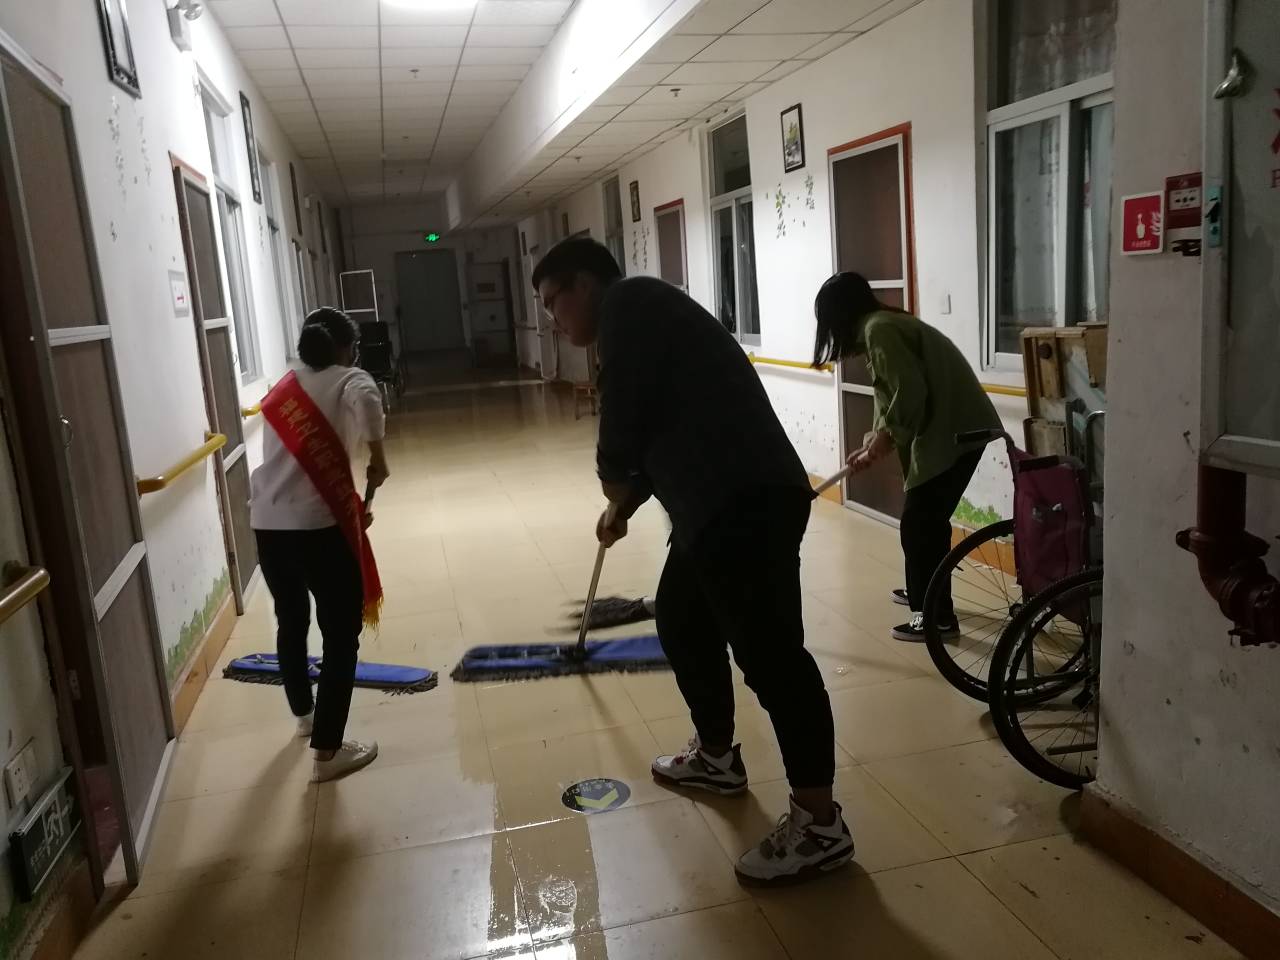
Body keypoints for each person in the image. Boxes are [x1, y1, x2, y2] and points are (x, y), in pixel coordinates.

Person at [532, 237, 854, 886]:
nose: (552, 320)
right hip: (717, 504)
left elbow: (623, 419)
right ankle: (716, 757)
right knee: (681, 618)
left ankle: (819, 825)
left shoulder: (628, 309)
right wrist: (626, 503)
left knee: (773, 661)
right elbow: (663, 423)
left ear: (584, 285)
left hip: (743, 503)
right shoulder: (643, 313)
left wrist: (613, 481)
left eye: (552, 303)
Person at [812, 272, 1001, 642]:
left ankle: (934, 618)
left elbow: (910, 391)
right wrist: (873, 440)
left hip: (956, 432)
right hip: (951, 429)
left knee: (920, 525)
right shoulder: (881, 325)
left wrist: (887, 437)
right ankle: (924, 594)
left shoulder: (879, 330)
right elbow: (890, 394)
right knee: (924, 524)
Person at [250, 307, 390, 783]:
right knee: (340, 635)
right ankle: (328, 752)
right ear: (346, 348)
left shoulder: (285, 387)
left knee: (291, 620)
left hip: (268, 525)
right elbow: (367, 399)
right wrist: (379, 457)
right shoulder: (350, 377)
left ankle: (305, 718)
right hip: (317, 529)